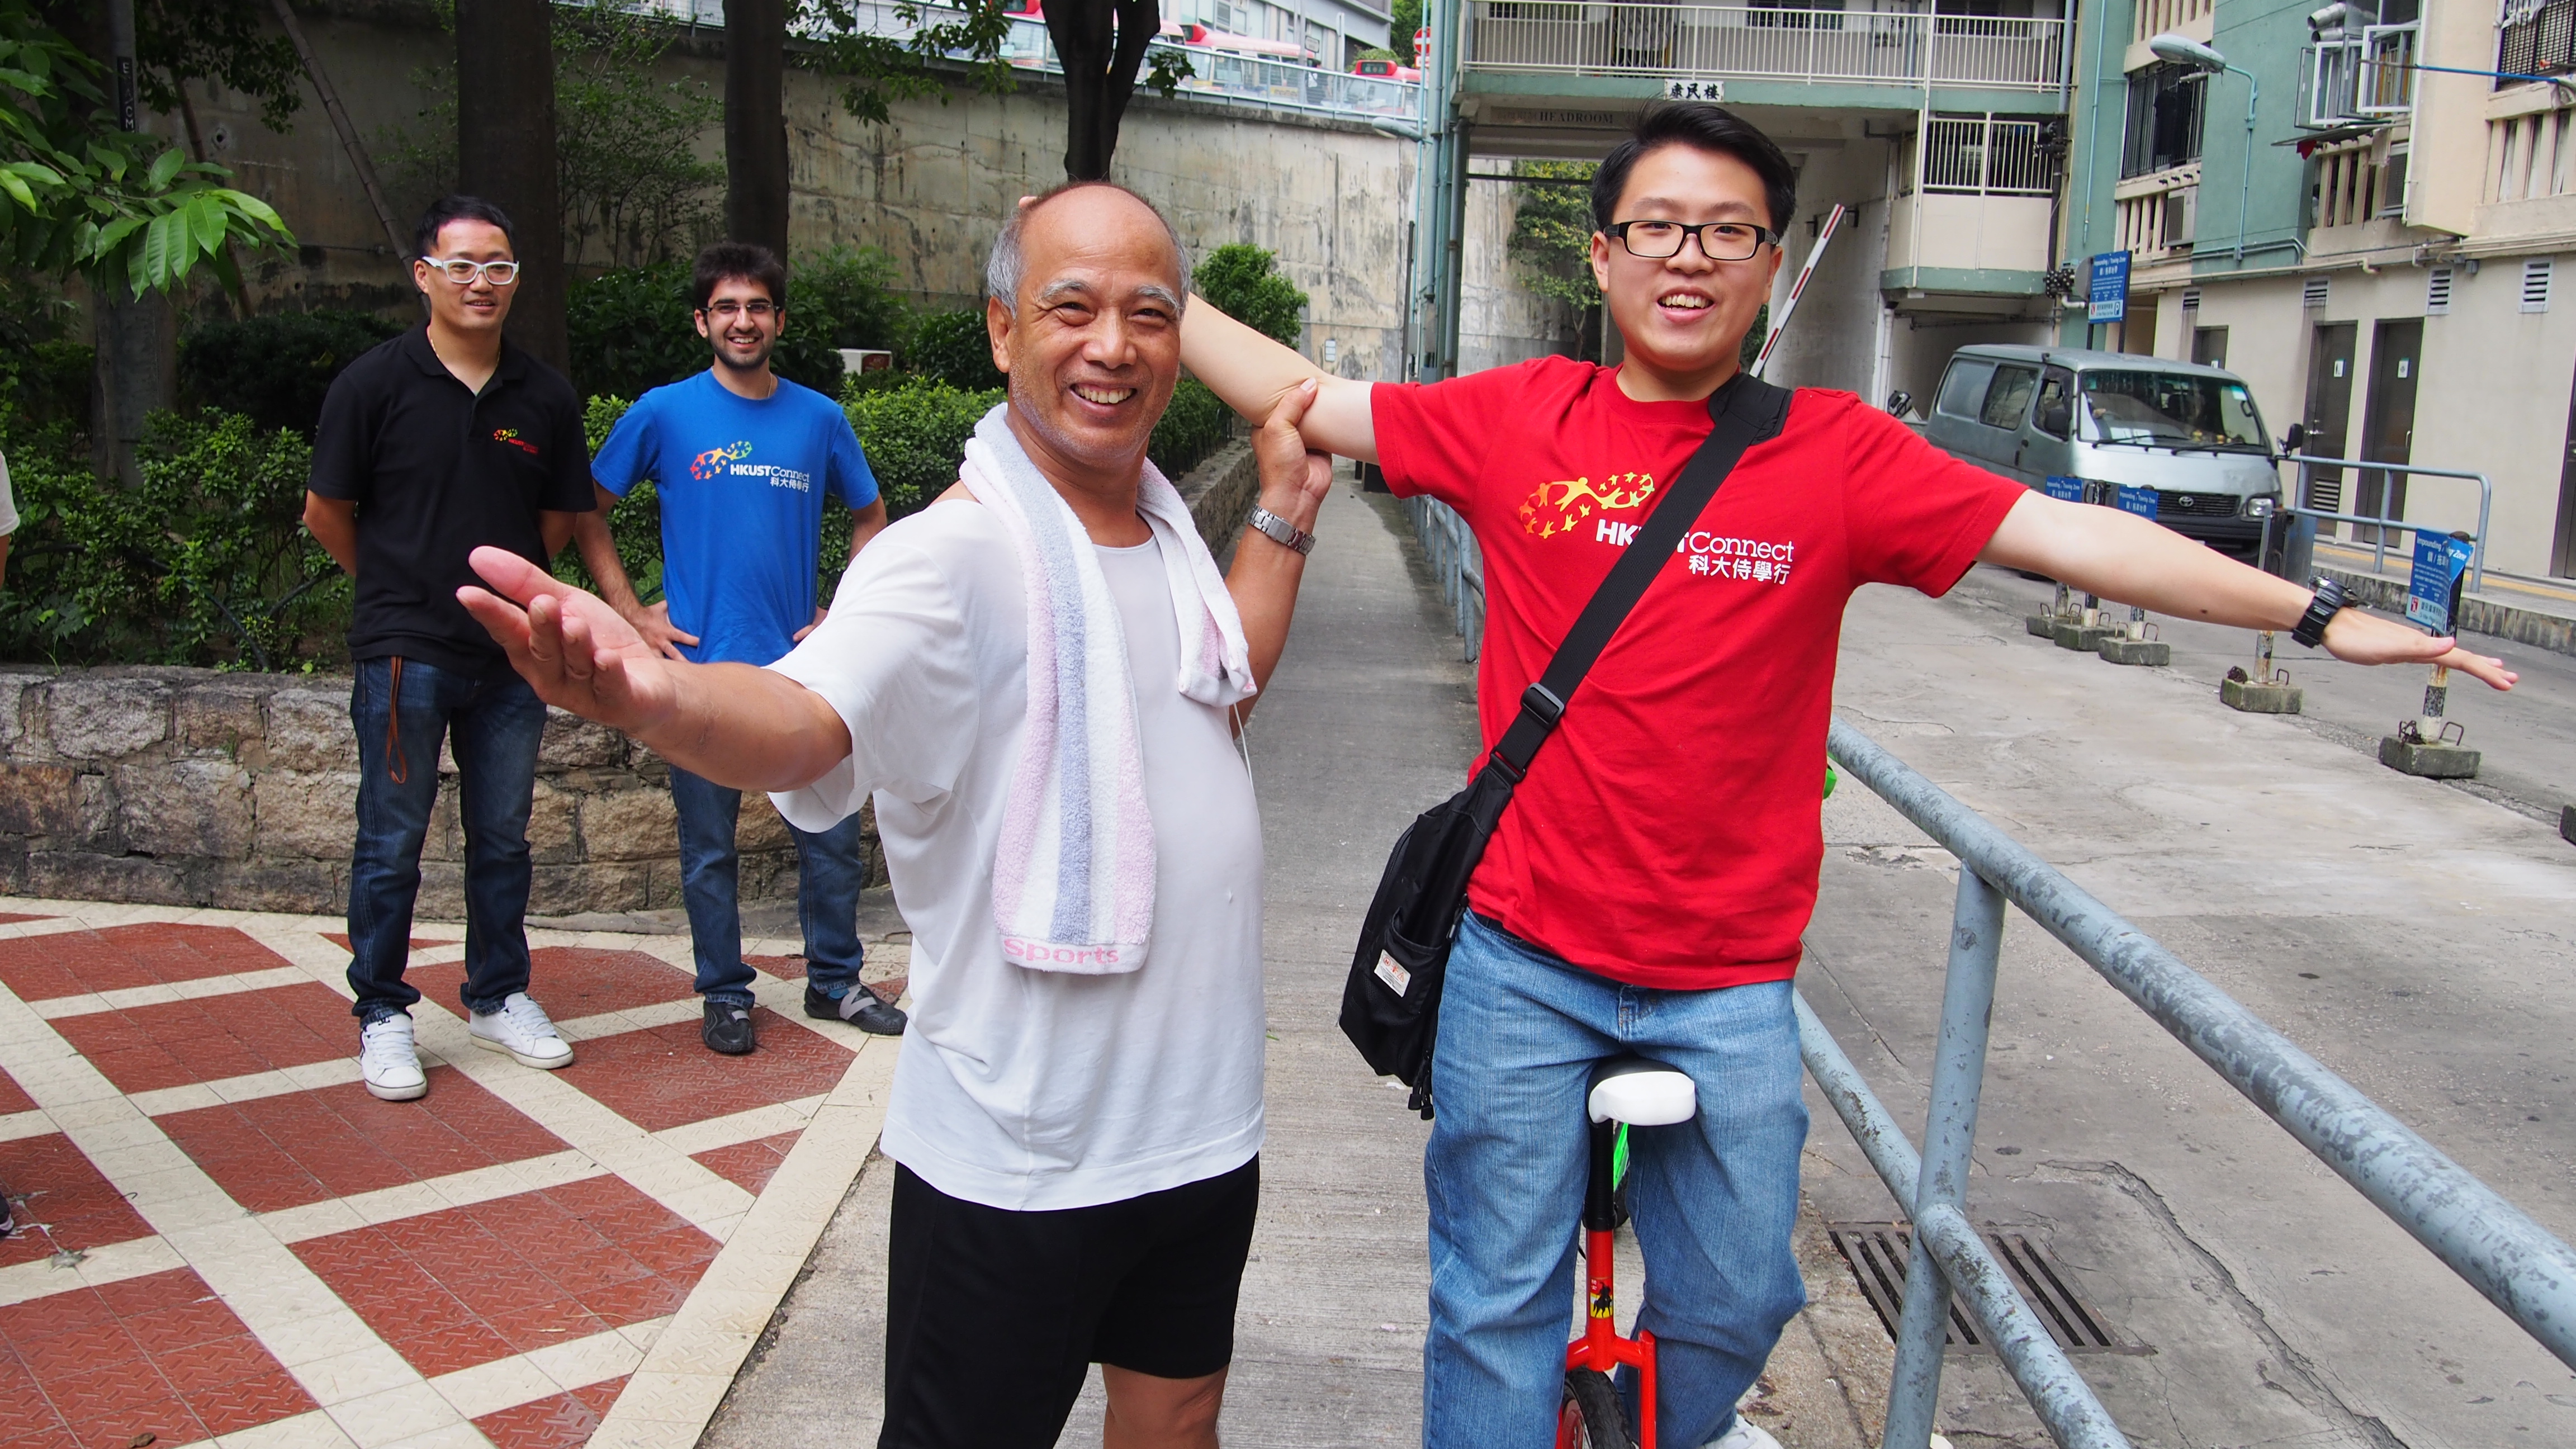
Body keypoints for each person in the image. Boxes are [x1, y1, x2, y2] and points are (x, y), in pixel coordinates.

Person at [1175, 102, 2518, 1449]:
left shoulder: (1835, 455)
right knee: (1490, 1308)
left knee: (1738, 1298)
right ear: (1602, 256)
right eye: (1656, 228)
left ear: (1769, 265)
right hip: (1523, 960)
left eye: (1726, 232)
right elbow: (1297, 395)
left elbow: (2068, 537)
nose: (1687, 257)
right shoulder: (1519, 419)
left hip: (1730, 980)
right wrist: (1129, 291)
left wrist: (2315, 615)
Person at [456, 182, 1333, 1449]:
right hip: (1021, 1149)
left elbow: (1213, 702)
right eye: (1069, 307)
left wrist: (1285, 516)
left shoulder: (1159, 531)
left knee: (1181, 1411)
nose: (1113, 347)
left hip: (1196, 1125)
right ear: (999, 329)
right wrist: (654, 701)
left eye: (1151, 315)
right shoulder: (945, 557)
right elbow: (808, 718)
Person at [576, 242, 905, 1055]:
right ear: (702, 322)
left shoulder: (820, 418)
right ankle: (724, 993)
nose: (743, 320)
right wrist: (632, 615)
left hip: (805, 675)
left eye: (757, 307)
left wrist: (846, 614)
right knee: (706, 850)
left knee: (830, 840)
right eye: (726, 307)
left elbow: (873, 517)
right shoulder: (662, 412)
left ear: (779, 320)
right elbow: (585, 509)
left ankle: (835, 983)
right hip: (699, 673)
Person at [305, 195, 596, 1104]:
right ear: (424, 275)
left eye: (500, 266)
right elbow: (326, 515)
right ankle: (383, 1012)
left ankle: (496, 993)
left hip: (508, 656)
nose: (483, 282)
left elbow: (556, 518)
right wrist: (399, 589)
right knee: (392, 840)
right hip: (404, 650)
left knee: (503, 838)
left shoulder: (543, 395)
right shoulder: (372, 385)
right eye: (464, 265)